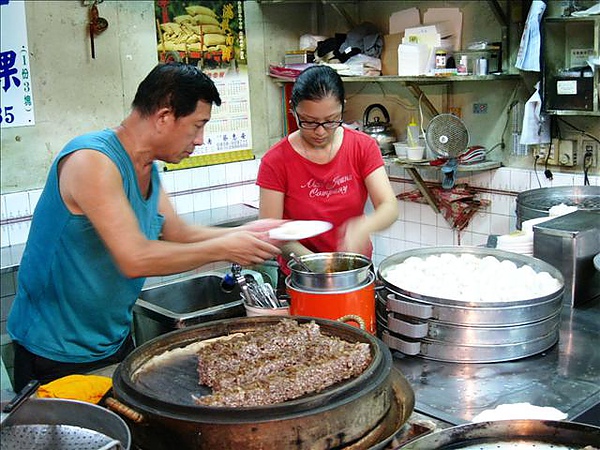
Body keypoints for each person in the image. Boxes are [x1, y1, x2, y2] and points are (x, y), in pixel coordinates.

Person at [7, 62, 284, 391]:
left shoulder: (148, 167)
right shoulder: (92, 161)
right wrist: (223, 248)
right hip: (55, 352)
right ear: (165, 116)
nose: (200, 140)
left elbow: (179, 233)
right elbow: (134, 257)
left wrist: (245, 233)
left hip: (112, 340)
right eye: (197, 126)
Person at [257, 65, 398, 277]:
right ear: (293, 109)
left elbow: (389, 207)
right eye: (309, 122)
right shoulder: (275, 161)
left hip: (355, 273)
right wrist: (317, 265)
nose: (321, 131)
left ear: (343, 107)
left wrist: (363, 226)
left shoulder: (363, 147)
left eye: (331, 121)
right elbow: (270, 231)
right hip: (302, 277)